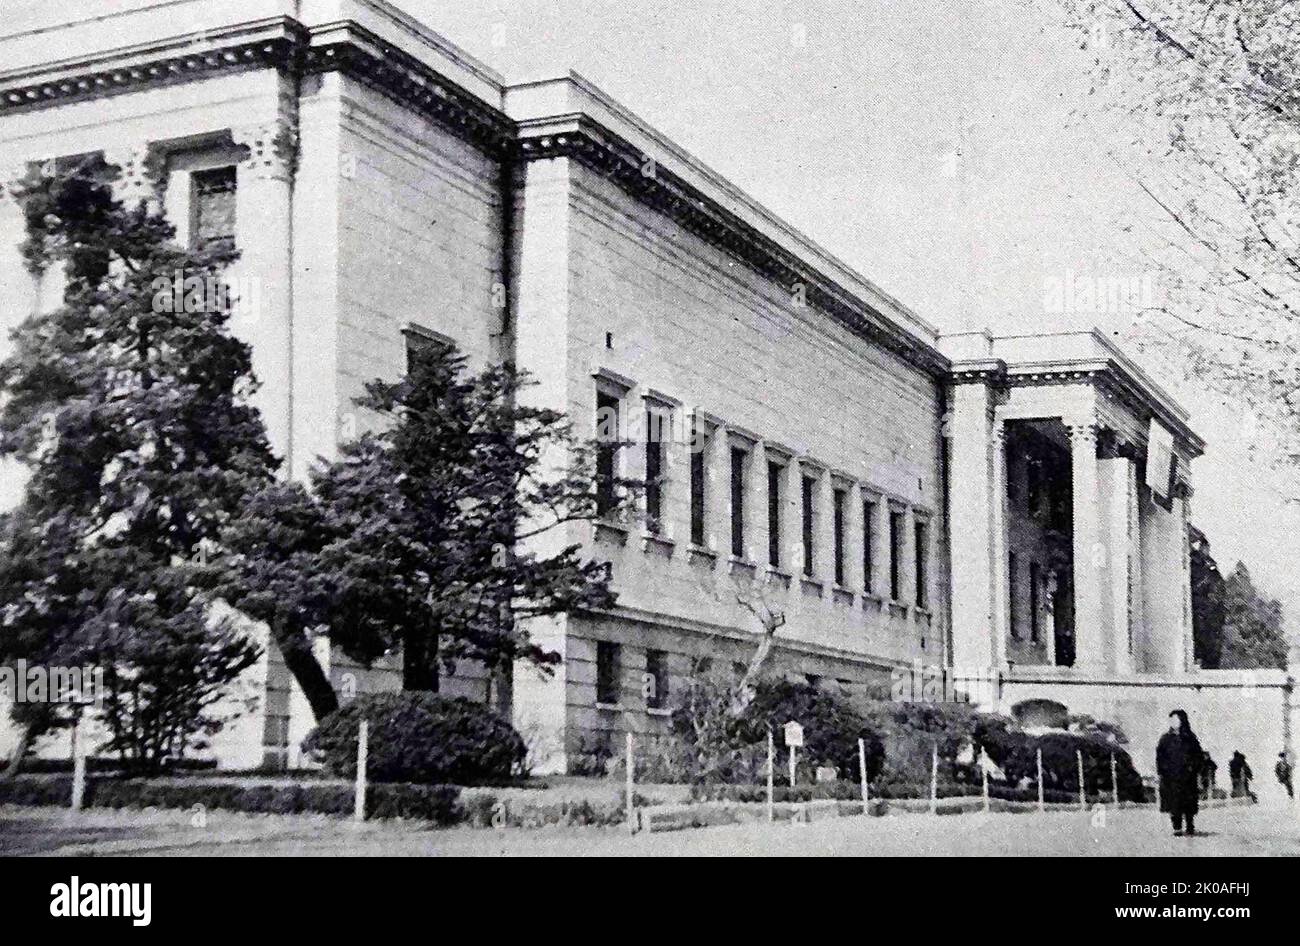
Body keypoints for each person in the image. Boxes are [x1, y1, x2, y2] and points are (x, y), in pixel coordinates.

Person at [1156, 709, 1203, 836]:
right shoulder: (1165, 739)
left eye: (1175, 719)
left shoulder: (1190, 738)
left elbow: (1198, 756)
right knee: (1174, 802)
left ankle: (1189, 824)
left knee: (1188, 802)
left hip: (1188, 777)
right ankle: (1176, 826)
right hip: (1171, 778)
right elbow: (1160, 756)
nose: (1173, 722)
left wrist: (1193, 769)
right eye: (1171, 720)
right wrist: (1163, 771)